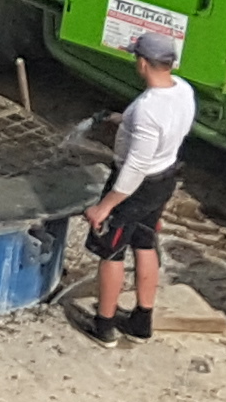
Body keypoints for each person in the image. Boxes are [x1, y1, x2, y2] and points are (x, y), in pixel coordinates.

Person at [75, 28, 196, 346]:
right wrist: (123, 121)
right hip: (164, 178)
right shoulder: (183, 90)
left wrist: (104, 207)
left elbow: (135, 168)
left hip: (135, 189)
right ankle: (142, 321)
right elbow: (164, 128)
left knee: (112, 252)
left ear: (143, 63)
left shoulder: (147, 110)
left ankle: (104, 326)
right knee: (144, 243)